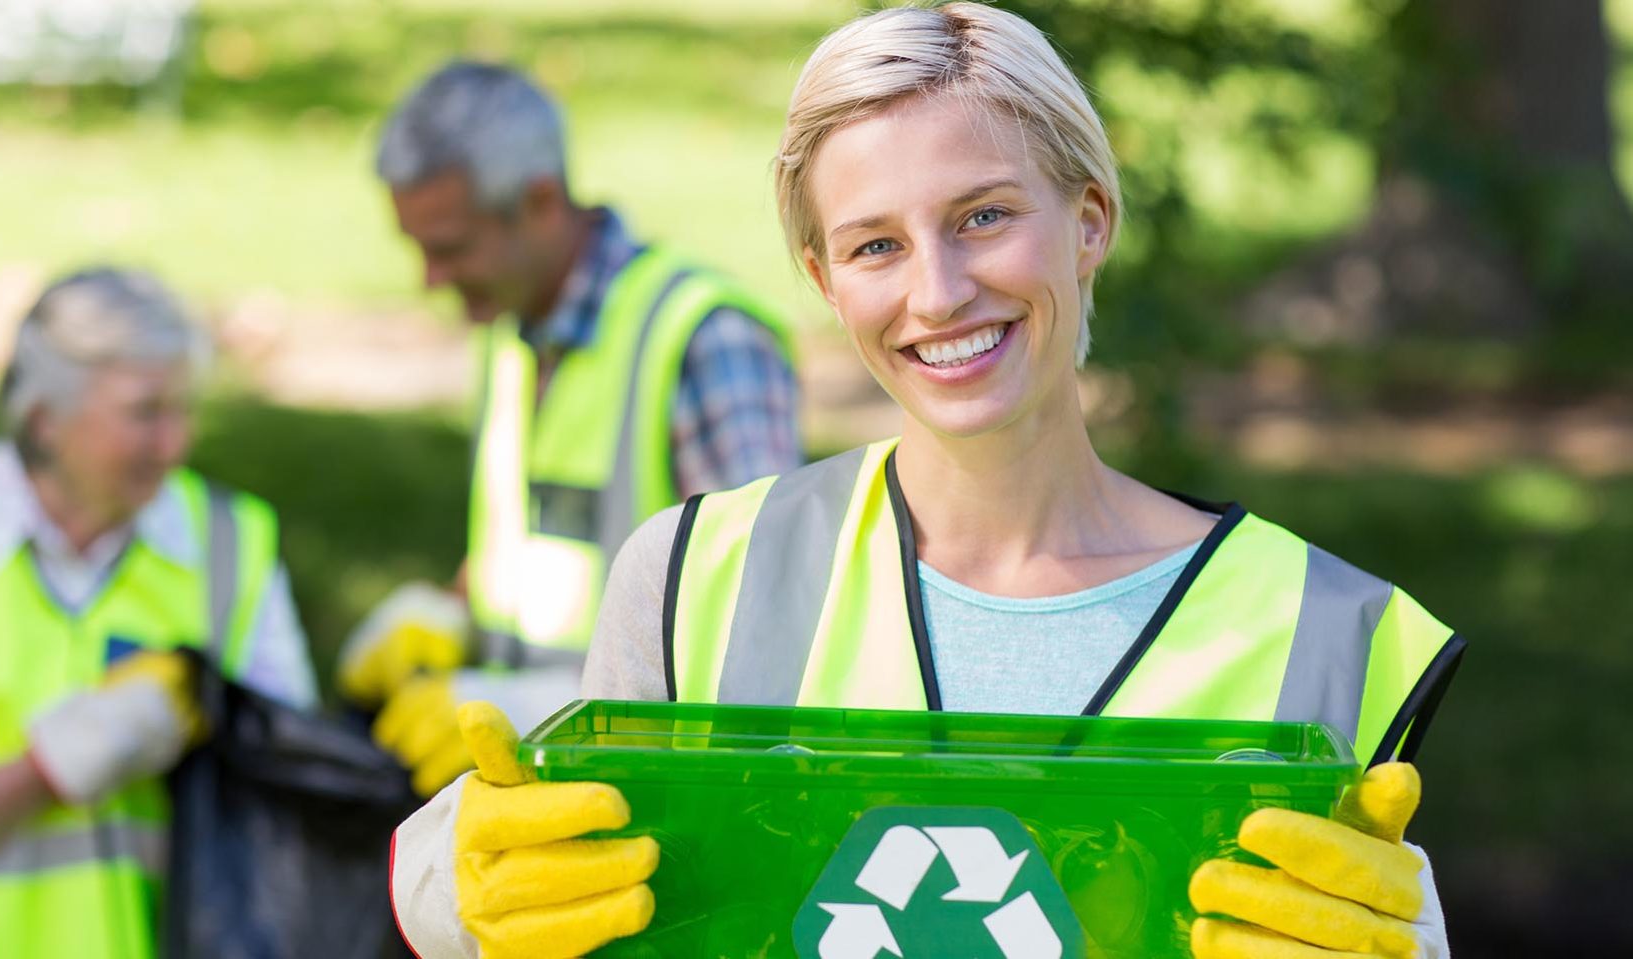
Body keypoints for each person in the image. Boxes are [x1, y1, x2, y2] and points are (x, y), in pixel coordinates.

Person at [386, 6, 1465, 959]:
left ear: (1089, 220)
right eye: (873, 246)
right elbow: (543, 875)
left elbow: (1370, 911)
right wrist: (456, 884)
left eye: (984, 216)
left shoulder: (1324, 629)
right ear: (822, 278)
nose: (938, 293)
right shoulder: (691, 578)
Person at [338, 61, 804, 796]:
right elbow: (541, 536)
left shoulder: (702, 340)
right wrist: (451, 609)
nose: (429, 278)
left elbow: (764, 629)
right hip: (530, 802)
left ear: (540, 201)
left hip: (655, 811)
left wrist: (549, 712)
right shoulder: (513, 331)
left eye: (451, 247)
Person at [0, 268, 320, 958]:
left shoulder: (230, 544)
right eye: (146, 413)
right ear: (44, 419)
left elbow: (294, 788)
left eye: (185, 409)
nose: (175, 443)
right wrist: (55, 765)